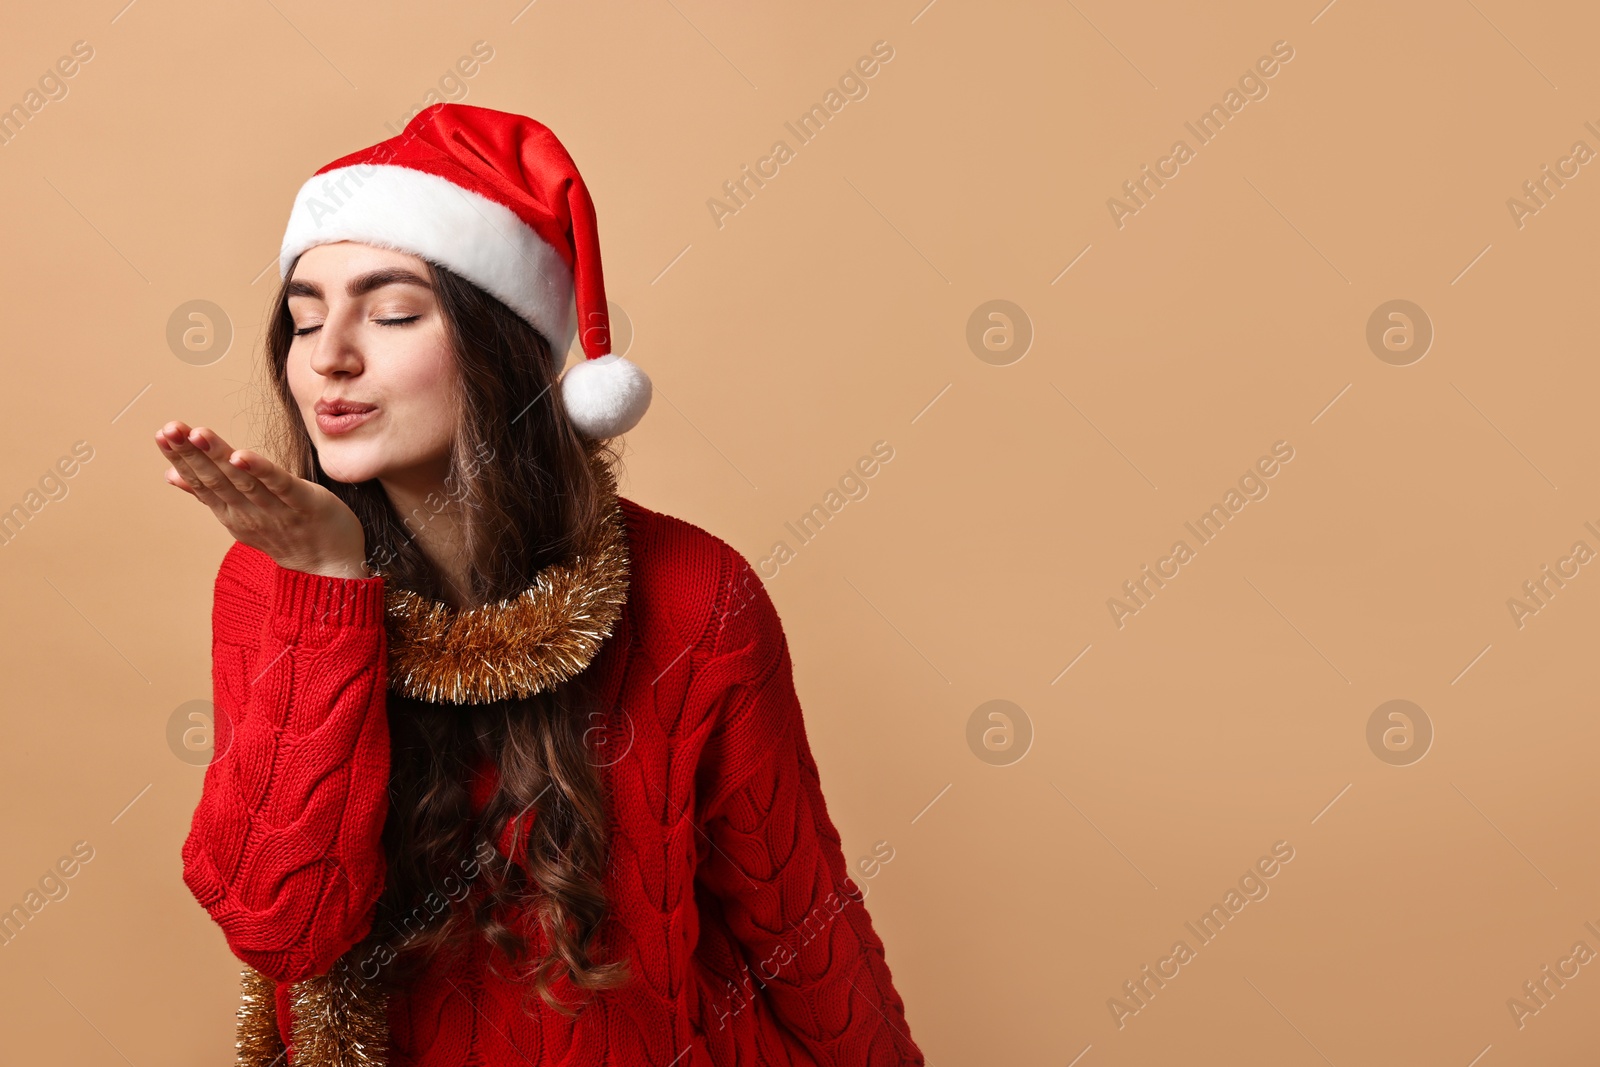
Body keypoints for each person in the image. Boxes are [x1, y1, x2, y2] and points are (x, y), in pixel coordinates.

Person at [160, 103, 923, 1066]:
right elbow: (281, 926)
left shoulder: (697, 596)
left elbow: (801, 923)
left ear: (501, 345)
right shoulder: (269, 585)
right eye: (304, 318)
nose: (328, 355)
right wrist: (324, 587)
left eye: (391, 312)